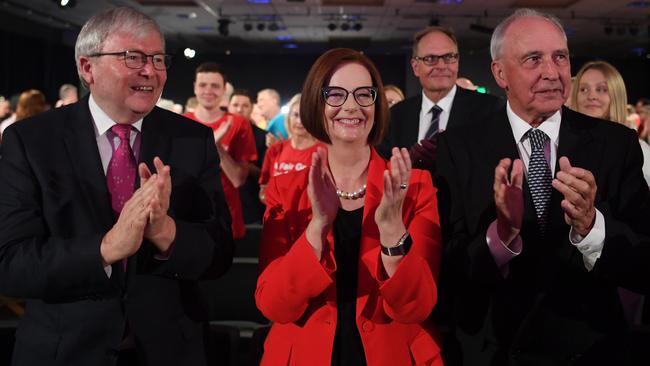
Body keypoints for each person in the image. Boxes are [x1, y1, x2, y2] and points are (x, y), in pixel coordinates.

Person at [0, 7, 234, 366]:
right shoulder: (31, 142)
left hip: (169, 351)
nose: (150, 71)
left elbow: (219, 255)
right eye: (133, 57)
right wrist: (105, 249)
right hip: (63, 352)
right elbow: (12, 264)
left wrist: (167, 232)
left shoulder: (193, 139)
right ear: (87, 68)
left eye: (158, 58)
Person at [436, 9, 650, 366]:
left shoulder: (616, 144)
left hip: (590, 351)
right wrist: (501, 235)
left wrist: (591, 228)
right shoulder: (458, 149)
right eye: (533, 59)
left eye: (560, 57)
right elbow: (448, 273)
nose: (551, 72)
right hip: (492, 352)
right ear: (500, 73)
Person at [256, 48, 443, 366]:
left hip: (392, 354)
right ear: (316, 101)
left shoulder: (415, 186)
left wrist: (392, 230)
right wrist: (318, 225)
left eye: (363, 94)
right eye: (336, 94)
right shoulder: (285, 190)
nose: (351, 106)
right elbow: (275, 306)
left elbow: (417, 308)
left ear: (377, 103)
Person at [379, 26, 502, 176]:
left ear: (457, 62)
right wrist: (409, 164)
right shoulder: (396, 116)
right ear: (415, 67)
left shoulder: (488, 110)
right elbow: (382, 169)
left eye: (449, 57)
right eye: (430, 59)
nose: (441, 66)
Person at [183, 62, 257, 240]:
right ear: (194, 87)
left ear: (224, 90)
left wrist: (215, 147)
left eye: (215, 86)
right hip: (188, 218)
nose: (208, 91)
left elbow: (238, 179)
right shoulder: (182, 123)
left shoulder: (238, 124)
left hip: (226, 219)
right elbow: (182, 176)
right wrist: (211, 141)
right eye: (203, 85)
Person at [570, 60, 650, 186]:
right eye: (584, 89)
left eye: (601, 89)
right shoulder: (562, 144)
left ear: (616, 95)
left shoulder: (637, 149)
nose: (591, 96)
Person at [258, 94, 321, 202]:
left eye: (305, 116)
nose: (299, 121)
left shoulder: (323, 151)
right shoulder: (275, 149)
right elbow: (263, 190)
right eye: (295, 115)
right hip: (278, 216)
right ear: (288, 117)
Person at [228, 89, 267, 224]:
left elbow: (266, 176)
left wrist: (246, 166)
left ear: (251, 108)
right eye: (235, 105)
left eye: (245, 106)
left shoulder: (263, 137)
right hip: (220, 207)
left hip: (251, 208)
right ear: (228, 106)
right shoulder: (217, 134)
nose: (239, 109)